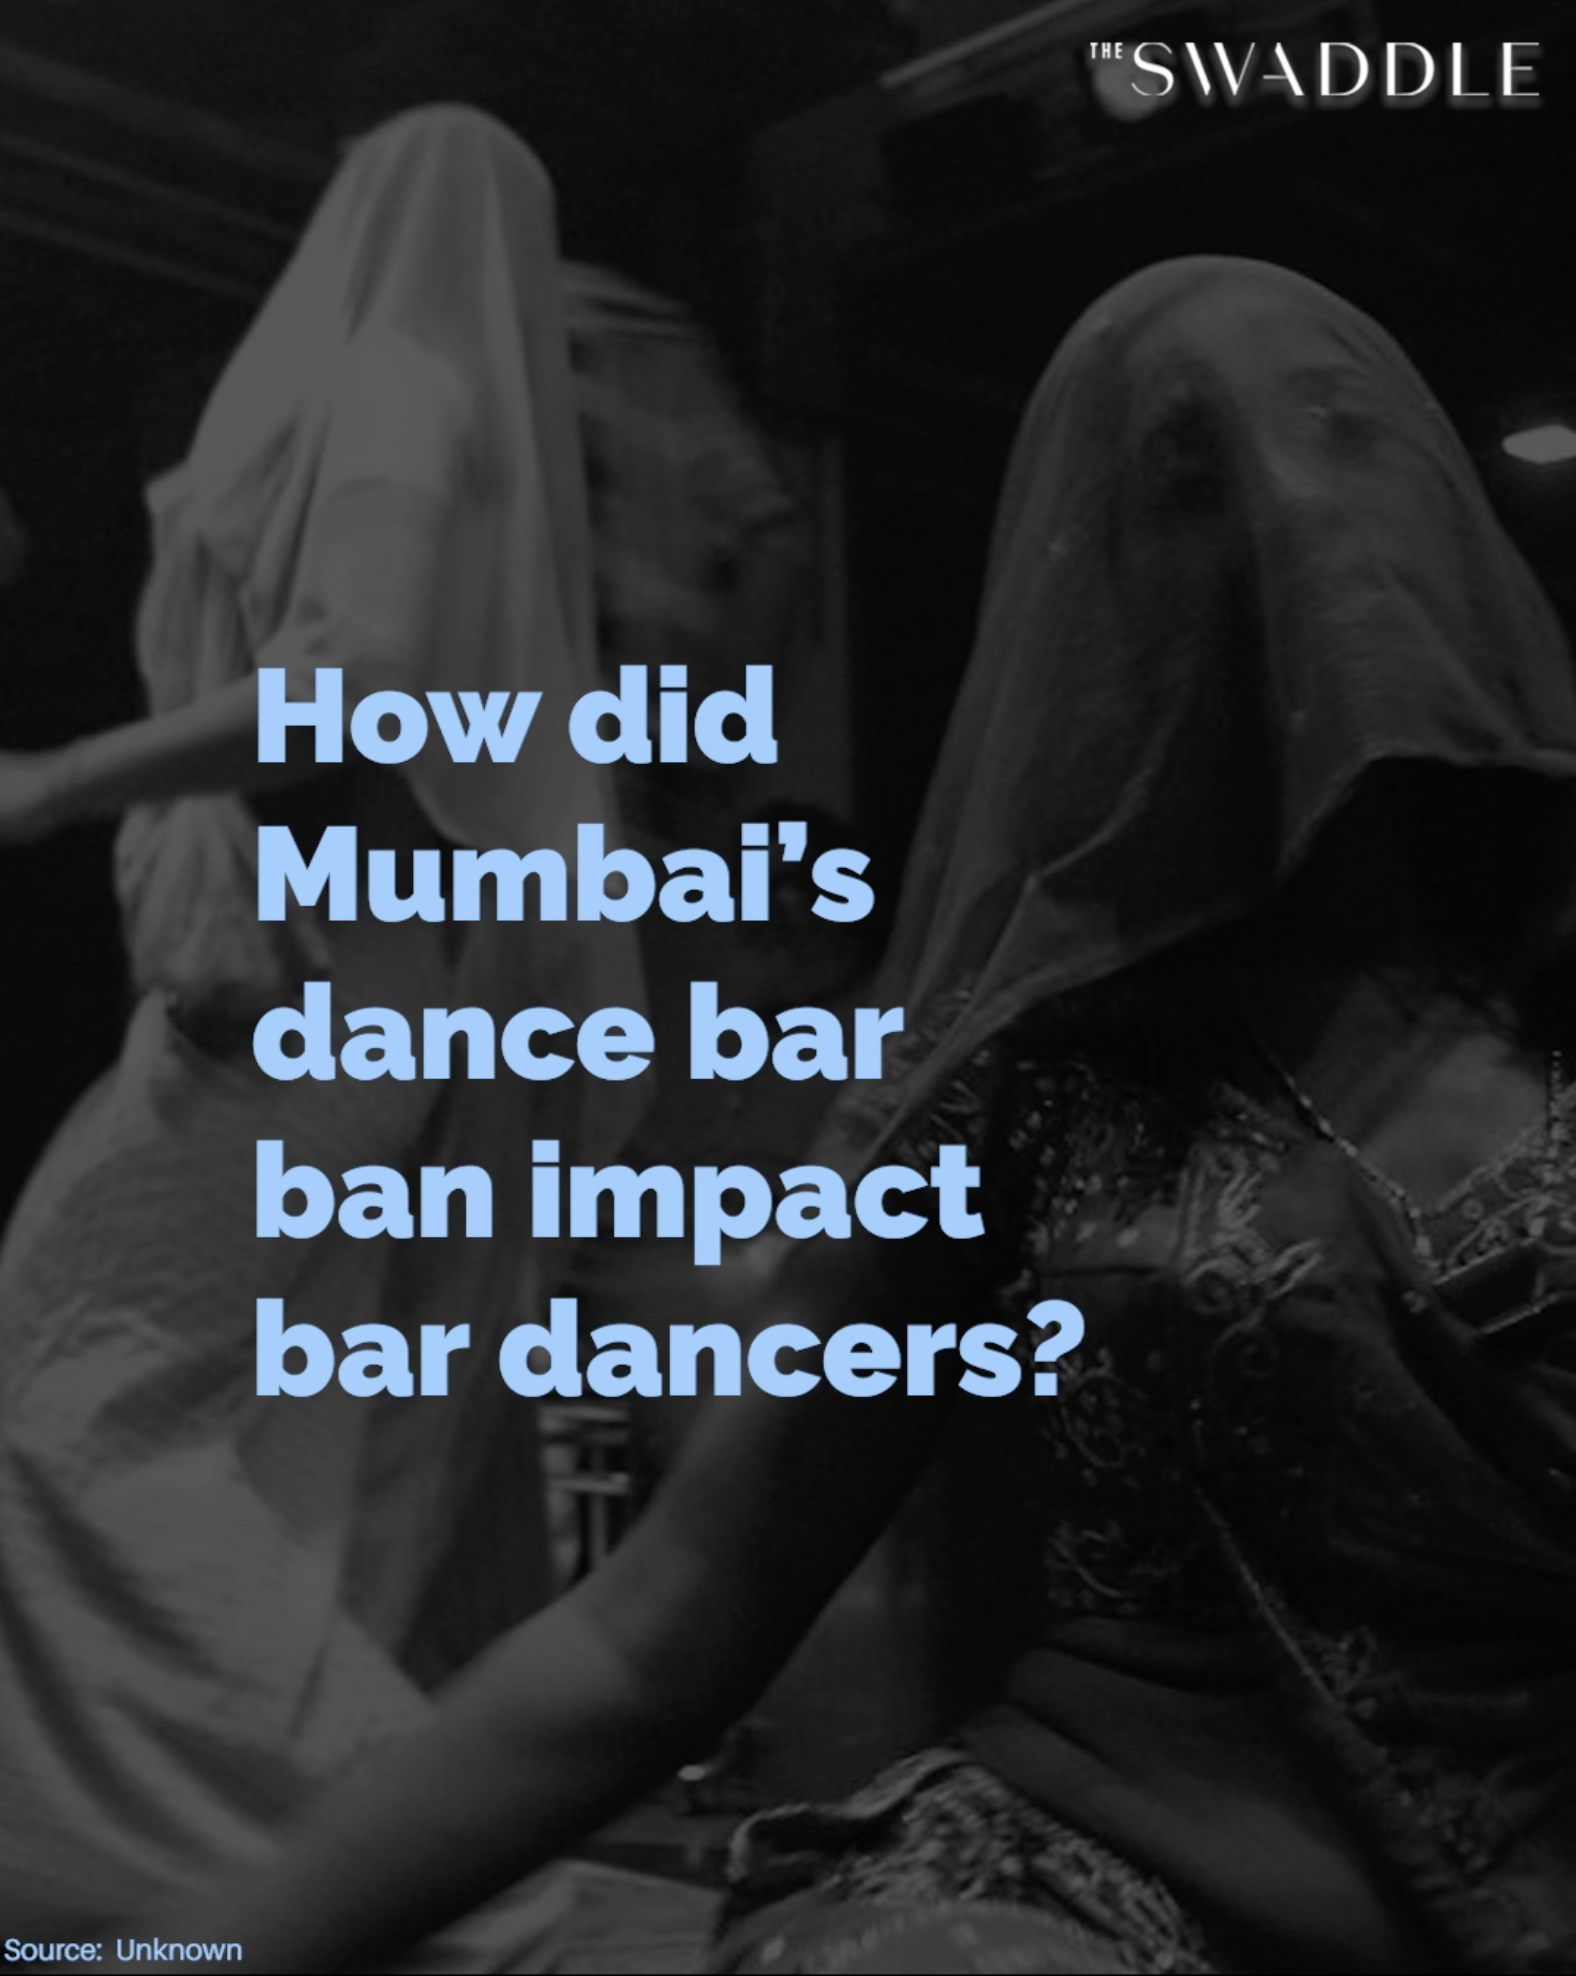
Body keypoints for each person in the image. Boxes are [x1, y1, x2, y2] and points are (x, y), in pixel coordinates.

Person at [154, 257, 1576, 1972]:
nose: (1289, 496)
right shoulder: (1033, 1084)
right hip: (1093, 1893)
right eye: (1189, 474)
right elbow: (656, 1630)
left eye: (1338, 428)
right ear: (1101, 591)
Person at [0, 105, 641, 1937]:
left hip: (317, 985)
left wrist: (56, 781)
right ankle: (234, 1875)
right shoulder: (431, 409)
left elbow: (350, 687)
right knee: (232, 1451)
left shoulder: (393, 384)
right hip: (350, 981)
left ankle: (403, 1861)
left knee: (72, 1421)